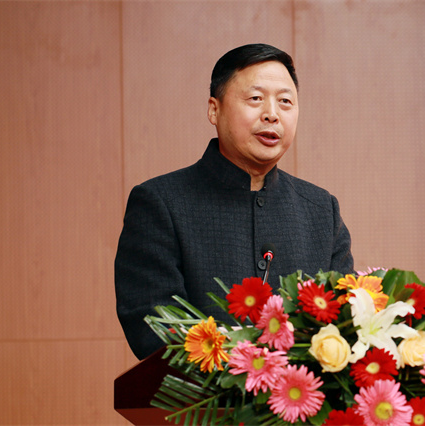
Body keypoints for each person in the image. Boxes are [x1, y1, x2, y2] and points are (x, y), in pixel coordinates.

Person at [115, 44, 354, 360]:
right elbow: (154, 323)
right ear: (214, 110)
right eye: (255, 99)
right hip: (204, 390)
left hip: (300, 390)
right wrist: (245, 370)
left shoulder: (321, 210)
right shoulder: (161, 203)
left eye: (285, 101)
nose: (272, 114)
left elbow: (345, 323)